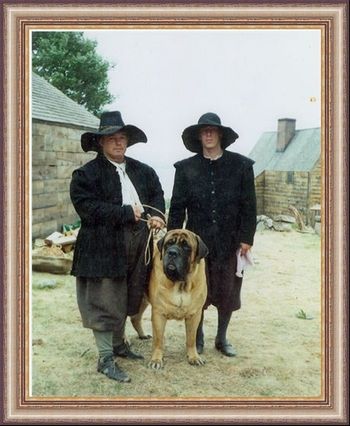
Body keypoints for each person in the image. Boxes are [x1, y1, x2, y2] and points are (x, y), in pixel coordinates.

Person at [70, 111, 165, 382]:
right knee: (105, 299)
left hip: (139, 242)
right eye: (111, 138)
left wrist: (157, 214)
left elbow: (157, 194)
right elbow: (86, 208)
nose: (118, 143)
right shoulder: (86, 175)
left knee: (129, 294)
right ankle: (105, 358)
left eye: (122, 138)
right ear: (100, 142)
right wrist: (124, 213)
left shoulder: (143, 171)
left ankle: (119, 344)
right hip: (102, 246)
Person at [167, 112, 257, 357]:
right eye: (204, 130)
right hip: (197, 245)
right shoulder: (185, 168)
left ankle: (222, 337)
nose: (208, 134)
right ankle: (197, 339)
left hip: (230, 242)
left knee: (228, 292)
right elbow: (176, 208)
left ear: (220, 135)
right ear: (199, 136)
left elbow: (250, 206)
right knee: (197, 293)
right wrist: (170, 242)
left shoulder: (241, 166)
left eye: (212, 130)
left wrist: (247, 238)